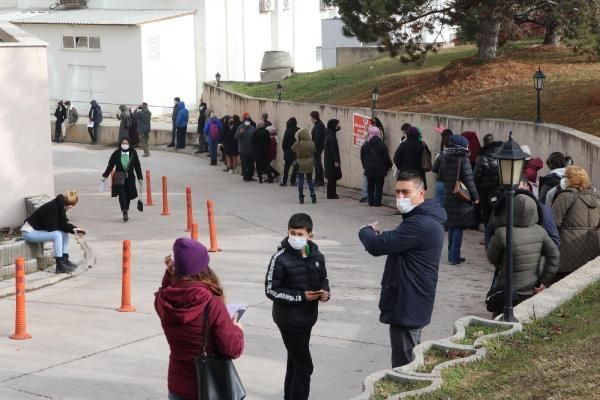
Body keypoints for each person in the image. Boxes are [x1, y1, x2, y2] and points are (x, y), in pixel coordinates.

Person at [358, 171, 446, 367]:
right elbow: (396, 240)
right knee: (410, 358)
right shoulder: (421, 218)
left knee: (405, 366)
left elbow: (377, 246)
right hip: (411, 300)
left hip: (409, 303)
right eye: (397, 192)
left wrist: (365, 230)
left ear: (421, 192)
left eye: (405, 192)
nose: (400, 198)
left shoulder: (420, 223)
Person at [155, 238, 244, 400]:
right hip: (208, 388)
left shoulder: (163, 300)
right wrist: (237, 329)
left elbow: (166, 287)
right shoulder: (212, 303)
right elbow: (232, 349)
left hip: (177, 386)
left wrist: (170, 274)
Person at [265, 213, 330, 400]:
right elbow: (271, 290)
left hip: (307, 318)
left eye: (300, 234)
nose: (295, 237)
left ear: (310, 235)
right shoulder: (280, 258)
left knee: (294, 361)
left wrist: (325, 293)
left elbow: (323, 278)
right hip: (288, 320)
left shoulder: (317, 255)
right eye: (292, 233)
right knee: (305, 366)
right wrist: (301, 297)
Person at [486, 194, 560, 310]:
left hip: (506, 289)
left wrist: (501, 263)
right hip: (531, 289)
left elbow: (491, 257)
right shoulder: (541, 232)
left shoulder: (501, 232)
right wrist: (544, 280)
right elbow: (554, 255)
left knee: (501, 321)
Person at [432, 135, 479, 265]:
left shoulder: (443, 156)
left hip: (448, 194)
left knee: (452, 224)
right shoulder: (463, 159)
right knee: (458, 226)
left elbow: (436, 172)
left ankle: (451, 254)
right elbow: (469, 181)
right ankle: (454, 256)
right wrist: (476, 198)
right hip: (460, 197)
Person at [551, 166, 600, 282]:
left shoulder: (565, 196)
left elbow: (553, 222)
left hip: (567, 252)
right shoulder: (596, 198)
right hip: (592, 249)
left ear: (571, 179)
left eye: (566, 177)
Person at [21, 190, 84, 274]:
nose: (71, 208)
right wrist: (67, 227)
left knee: (64, 233)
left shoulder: (60, 207)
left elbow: (62, 224)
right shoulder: (52, 207)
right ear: (69, 205)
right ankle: (59, 265)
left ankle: (64, 259)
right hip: (29, 232)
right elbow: (52, 228)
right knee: (57, 234)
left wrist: (74, 229)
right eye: (72, 206)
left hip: (38, 230)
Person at [101, 138, 143, 222]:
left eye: (126, 143)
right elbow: (110, 165)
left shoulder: (133, 153)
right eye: (123, 143)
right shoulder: (116, 153)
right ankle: (124, 210)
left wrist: (140, 177)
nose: (124, 144)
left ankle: (126, 209)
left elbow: (137, 166)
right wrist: (105, 175)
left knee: (128, 194)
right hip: (119, 176)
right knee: (121, 194)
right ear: (120, 144)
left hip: (130, 177)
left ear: (129, 144)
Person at [473, 133, 503, 226]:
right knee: (497, 211)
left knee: (486, 213)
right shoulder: (501, 154)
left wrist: (475, 189)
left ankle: (488, 237)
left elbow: (476, 176)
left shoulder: (482, 157)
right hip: (498, 189)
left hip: (484, 190)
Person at [360, 126, 393, 207]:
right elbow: (386, 157)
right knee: (379, 186)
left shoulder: (366, 144)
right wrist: (390, 165)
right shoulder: (382, 144)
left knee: (370, 186)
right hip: (380, 169)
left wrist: (365, 166)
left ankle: (370, 202)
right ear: (378, 133)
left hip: (369, 169)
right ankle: (377, 202)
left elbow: (362, 156)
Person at [292, 128, 317, 204]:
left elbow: (292, 149)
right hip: (309, 163)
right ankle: (313, 196)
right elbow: (314, 151)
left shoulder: (298, 143)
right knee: (310, 180)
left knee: (301, 181)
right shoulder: (311, 143)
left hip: (300, 163)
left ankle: (301, 197)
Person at [434, 128, 454, 206]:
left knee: (439, 202)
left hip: (442, 180)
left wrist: (438, 158)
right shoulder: (459, 155)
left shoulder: (443, 153)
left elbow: (434, 169)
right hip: (452, 181)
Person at [323, 119, 342, 199]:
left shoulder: (328, 133)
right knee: (332, 178)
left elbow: (334, 130)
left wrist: (338, 129)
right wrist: (336, 160)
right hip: (332, 161)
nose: (338, 126)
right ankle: (331, 194)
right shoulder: (332, 137)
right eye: (337, 124)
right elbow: (333, 150)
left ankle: (331, 194)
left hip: (328, 160)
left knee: (331, 178)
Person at [236, 116, 257, 181]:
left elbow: (255, 137)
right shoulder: (240, 127)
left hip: (251, 149)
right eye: (246, 121)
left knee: (251, 164)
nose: (248, 122)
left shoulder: (252, 128)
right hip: (243, 149)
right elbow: (236, 136)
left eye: (249, 121)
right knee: (244, 164)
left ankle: (250, 176)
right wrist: (240, 133)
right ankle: (245, 176)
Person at [281, 117, 299, 187]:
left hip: (288, 152)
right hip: (297, 152)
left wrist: (285, 150)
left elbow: (284, 143)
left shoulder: (288, 131)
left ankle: (284, 181)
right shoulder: (299, 130)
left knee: (286, 168)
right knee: (295, 168)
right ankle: (293, 181)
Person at [310, 111, 326, 187]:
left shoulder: (319, 125)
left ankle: (319, 180)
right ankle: (318, 180)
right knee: (317, 164)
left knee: (318, 164)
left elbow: (317, 138)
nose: (310, 119)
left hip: (317, 148)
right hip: (317, 147)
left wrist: (313, 147)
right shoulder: (318, 124)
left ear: (313, 117)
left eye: (311, 117)